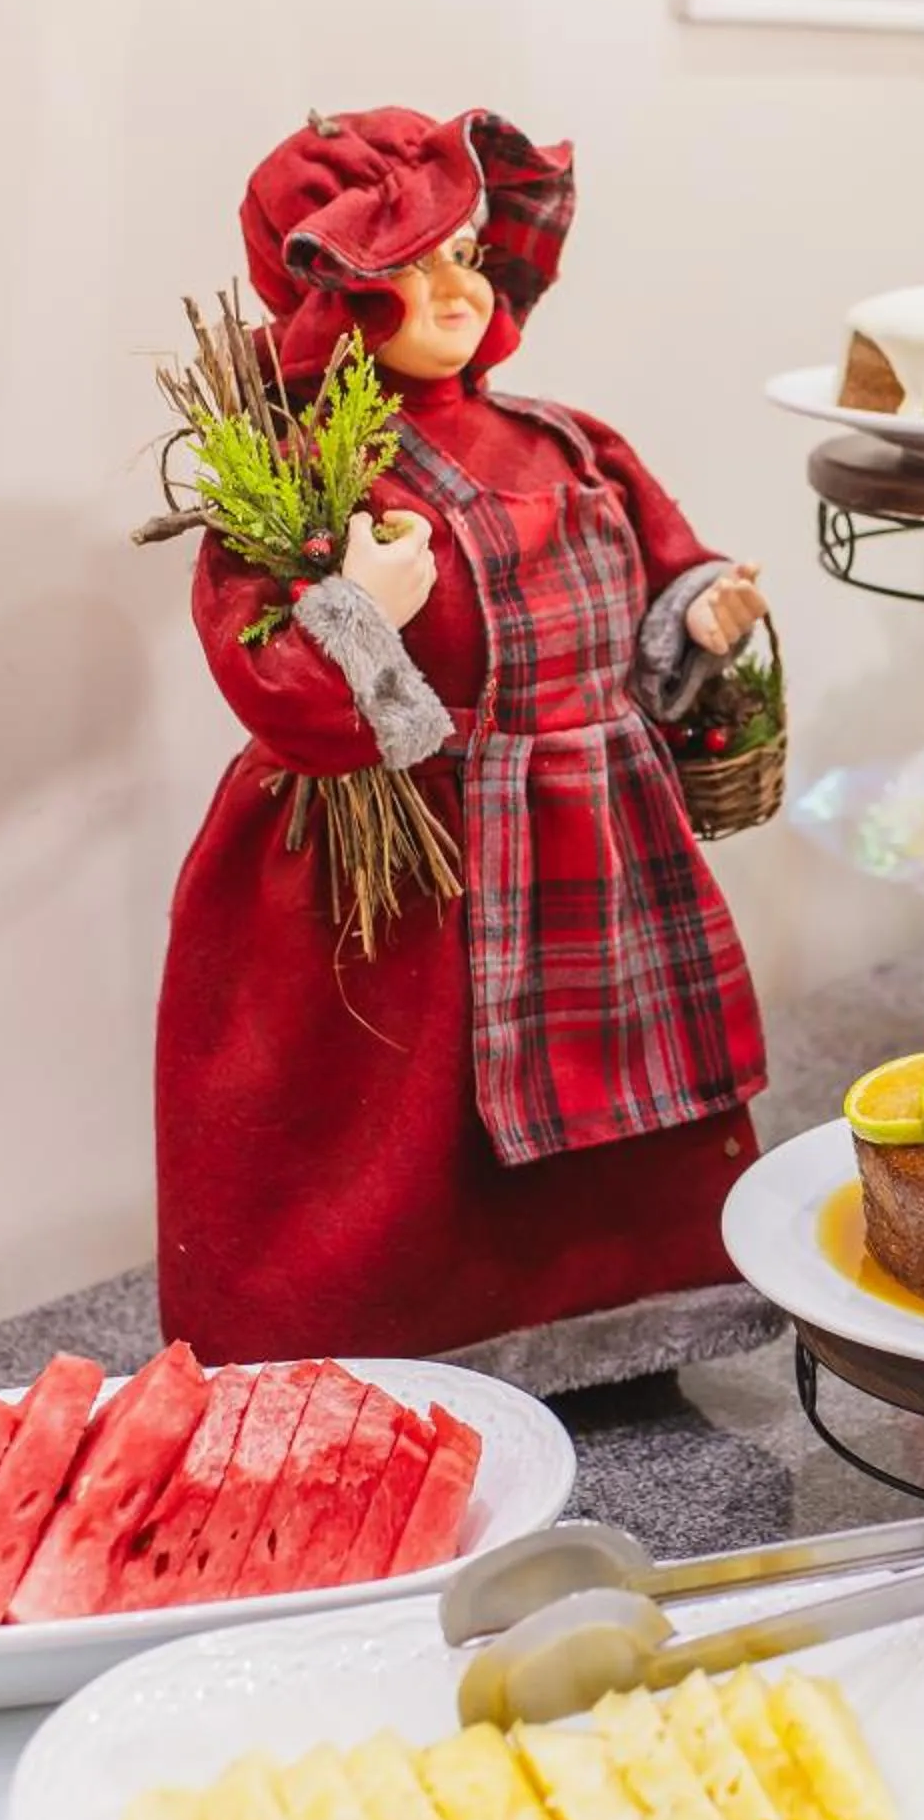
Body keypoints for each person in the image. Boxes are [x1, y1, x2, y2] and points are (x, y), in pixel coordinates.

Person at [154, 108, 766, 1364]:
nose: (453, 286)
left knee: (618, 1109)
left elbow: (655, 562)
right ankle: (361, 1349)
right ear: (341, 299)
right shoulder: (310, 468)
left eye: (468, 255)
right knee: (384, 1123)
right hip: (402, 868)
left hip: (591, 837)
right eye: (415, 264)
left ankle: (608, 1321)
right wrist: (360, 616)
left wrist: (694, 606)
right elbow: (265, 669)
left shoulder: (567, 440)